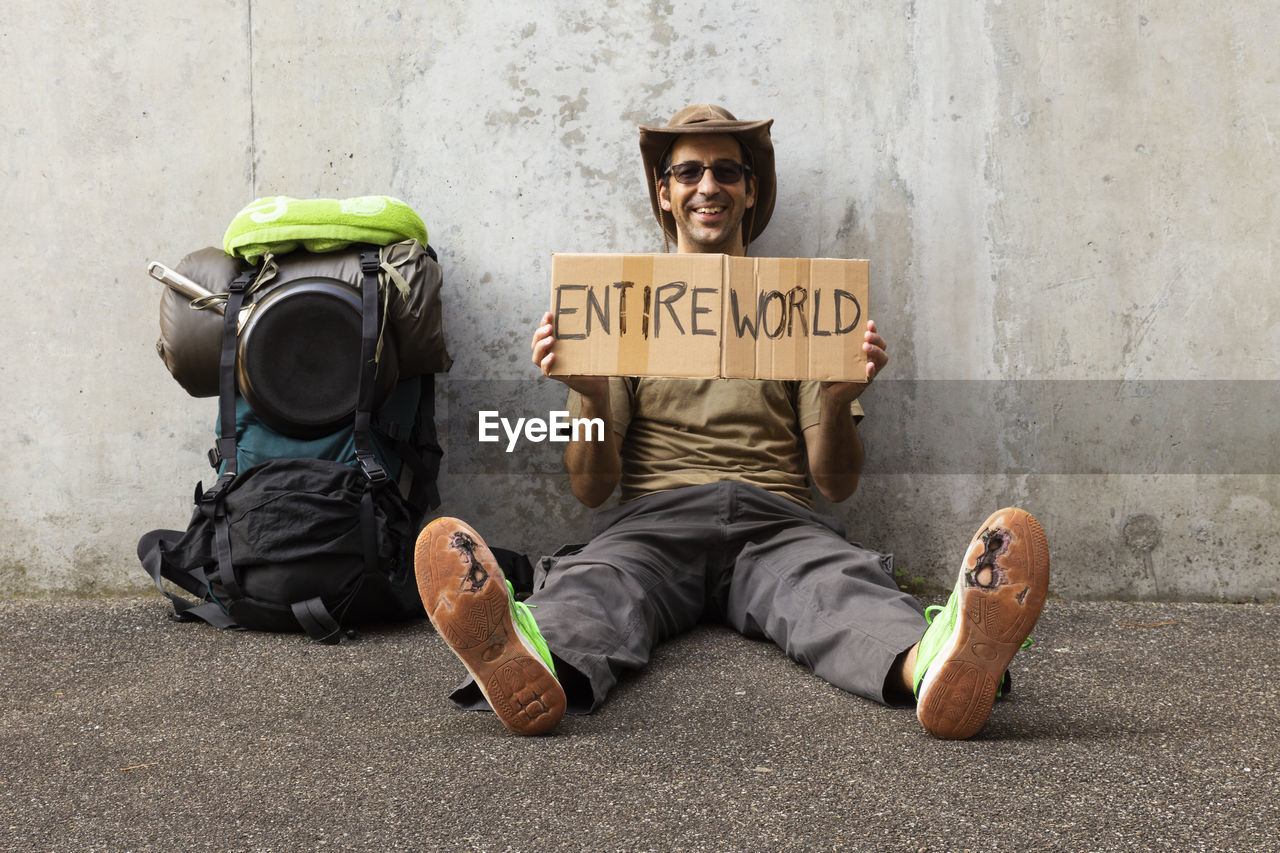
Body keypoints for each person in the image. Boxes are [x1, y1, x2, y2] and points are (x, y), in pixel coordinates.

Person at [414, 104, 1050, 739]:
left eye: (725, 171)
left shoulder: (799, 308)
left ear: (750, 191)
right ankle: (532, 660)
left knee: (835, 587)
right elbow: (591, 489)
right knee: (597, 588)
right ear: (664, 195)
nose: (708, 187)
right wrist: (590, 393)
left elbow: (836, 485)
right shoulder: (623, 308)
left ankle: (936, 664)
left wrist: (835, 399)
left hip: (775, 521)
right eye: (688, 173)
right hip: (652, 523)